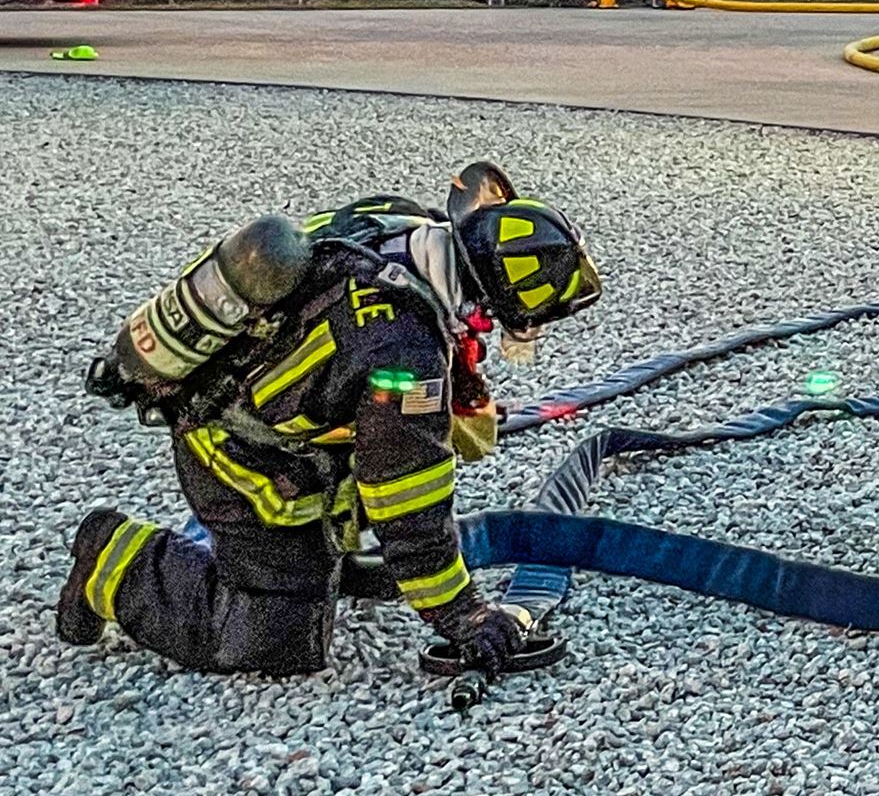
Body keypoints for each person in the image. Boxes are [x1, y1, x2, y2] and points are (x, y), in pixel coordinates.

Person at [56, 162, 601, 675]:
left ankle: (333, 553)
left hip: (265, 412)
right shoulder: (405, 361)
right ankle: (114, 563)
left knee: (394, 443)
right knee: (271, 637)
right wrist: (463, 615)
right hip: (235, 458)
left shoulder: (399, 225)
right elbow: (407, 498)